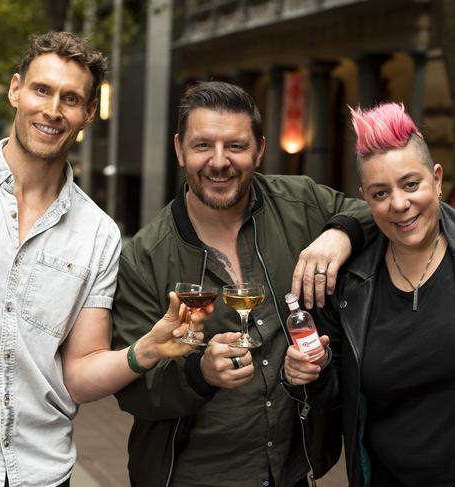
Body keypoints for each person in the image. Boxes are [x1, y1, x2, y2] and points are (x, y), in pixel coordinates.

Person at [0, 32, 211, 487]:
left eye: (70, 99)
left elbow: (78, 375)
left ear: (89, 113)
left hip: (42, 474)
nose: (52, 110)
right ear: (16, 90)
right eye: (41, 90)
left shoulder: (98, 233)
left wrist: (145, 350)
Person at [112, 81, 375, 487]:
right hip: (191, 477)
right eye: (203, 146)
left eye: (235, 146)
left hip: (291, 472)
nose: (219, 162)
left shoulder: (300, 202)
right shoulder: (145, 256)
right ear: (180, 149)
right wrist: (199, 373)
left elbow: (375, 210)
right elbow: (133, 392)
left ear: (260, 149)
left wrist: (339, 233)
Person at [286, 102, 455, 487]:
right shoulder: (349, 285)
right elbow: (333, 398)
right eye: (380, 193)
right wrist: (305, 374)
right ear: (364, 198)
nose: (398, 204)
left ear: (437, 179)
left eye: (411, 185)